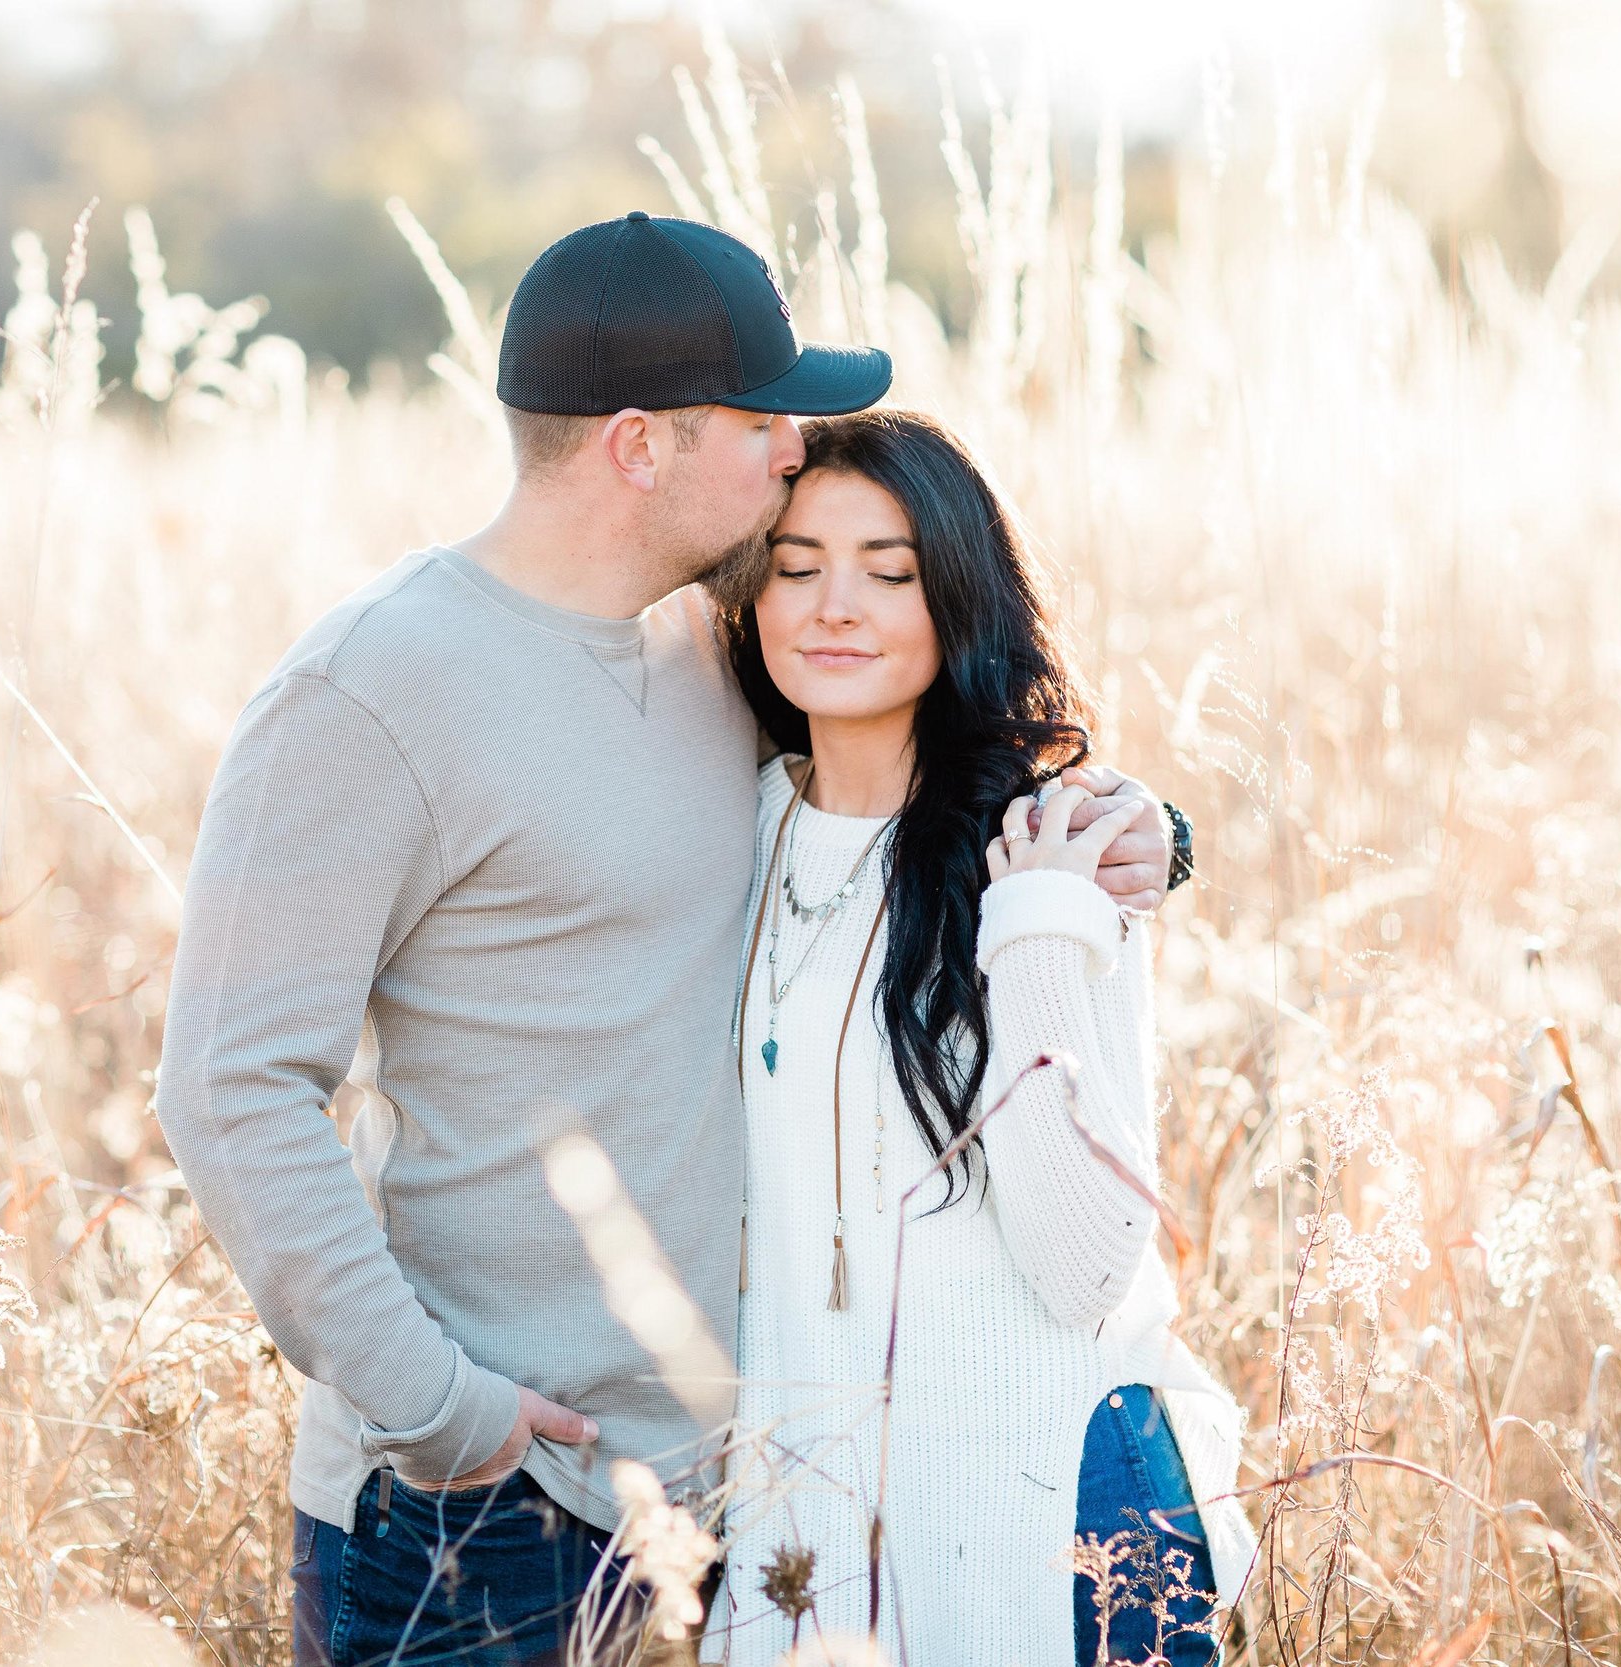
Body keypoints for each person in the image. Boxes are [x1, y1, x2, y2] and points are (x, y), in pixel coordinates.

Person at [154, 213, 1180, 1667]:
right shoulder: (367, 688)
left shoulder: (713, 644)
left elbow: (912, 745)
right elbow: (228, 1082)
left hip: (717, 1512)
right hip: (475, 1516)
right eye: (764, 419)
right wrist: (442, 1410)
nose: (793, 448)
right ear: (641, 446)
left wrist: (1139, 828)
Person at [699, 409, 1256, 1667]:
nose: (835, 604)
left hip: (1055, 1520)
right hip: (816, 1536)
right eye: (795, 566)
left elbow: (1082, 1266)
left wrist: (1042, 930)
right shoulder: (729, 829)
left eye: (889, 571)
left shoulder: (1047, 846)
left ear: (957, 596)